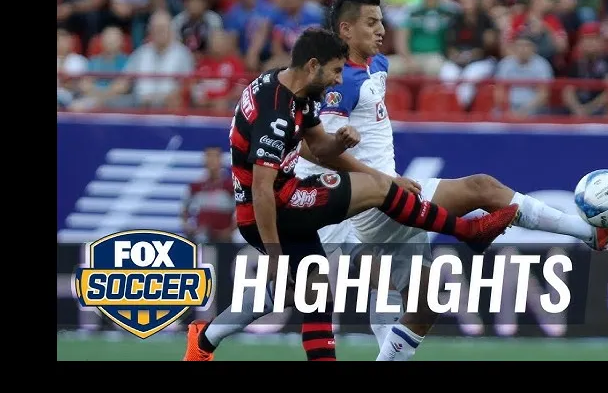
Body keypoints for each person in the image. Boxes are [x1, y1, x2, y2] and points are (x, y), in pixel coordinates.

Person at [184, 0, 608, 362]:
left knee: (420, 301)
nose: (381, 30)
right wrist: (382, 182)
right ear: (345, 31)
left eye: (382, 21)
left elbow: (318, 141)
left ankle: (205, 338)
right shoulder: (336, 83)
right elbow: (320, 153)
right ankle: (581, 231)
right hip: (351, 200)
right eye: (371, 22)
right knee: (480, 189)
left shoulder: (376, 65)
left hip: (374, 192)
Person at [182, 27, 520, 362]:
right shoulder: (276, 113)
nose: (338, 80)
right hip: (269, 210)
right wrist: (274, 254)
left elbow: (320, 147)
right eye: (335, 71)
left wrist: (339, 142)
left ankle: (204, 340)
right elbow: (260, 190)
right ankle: (467, 230)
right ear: (313, 65)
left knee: (314, 293)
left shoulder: (294, 87)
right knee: (375, 194)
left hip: (285, 196)